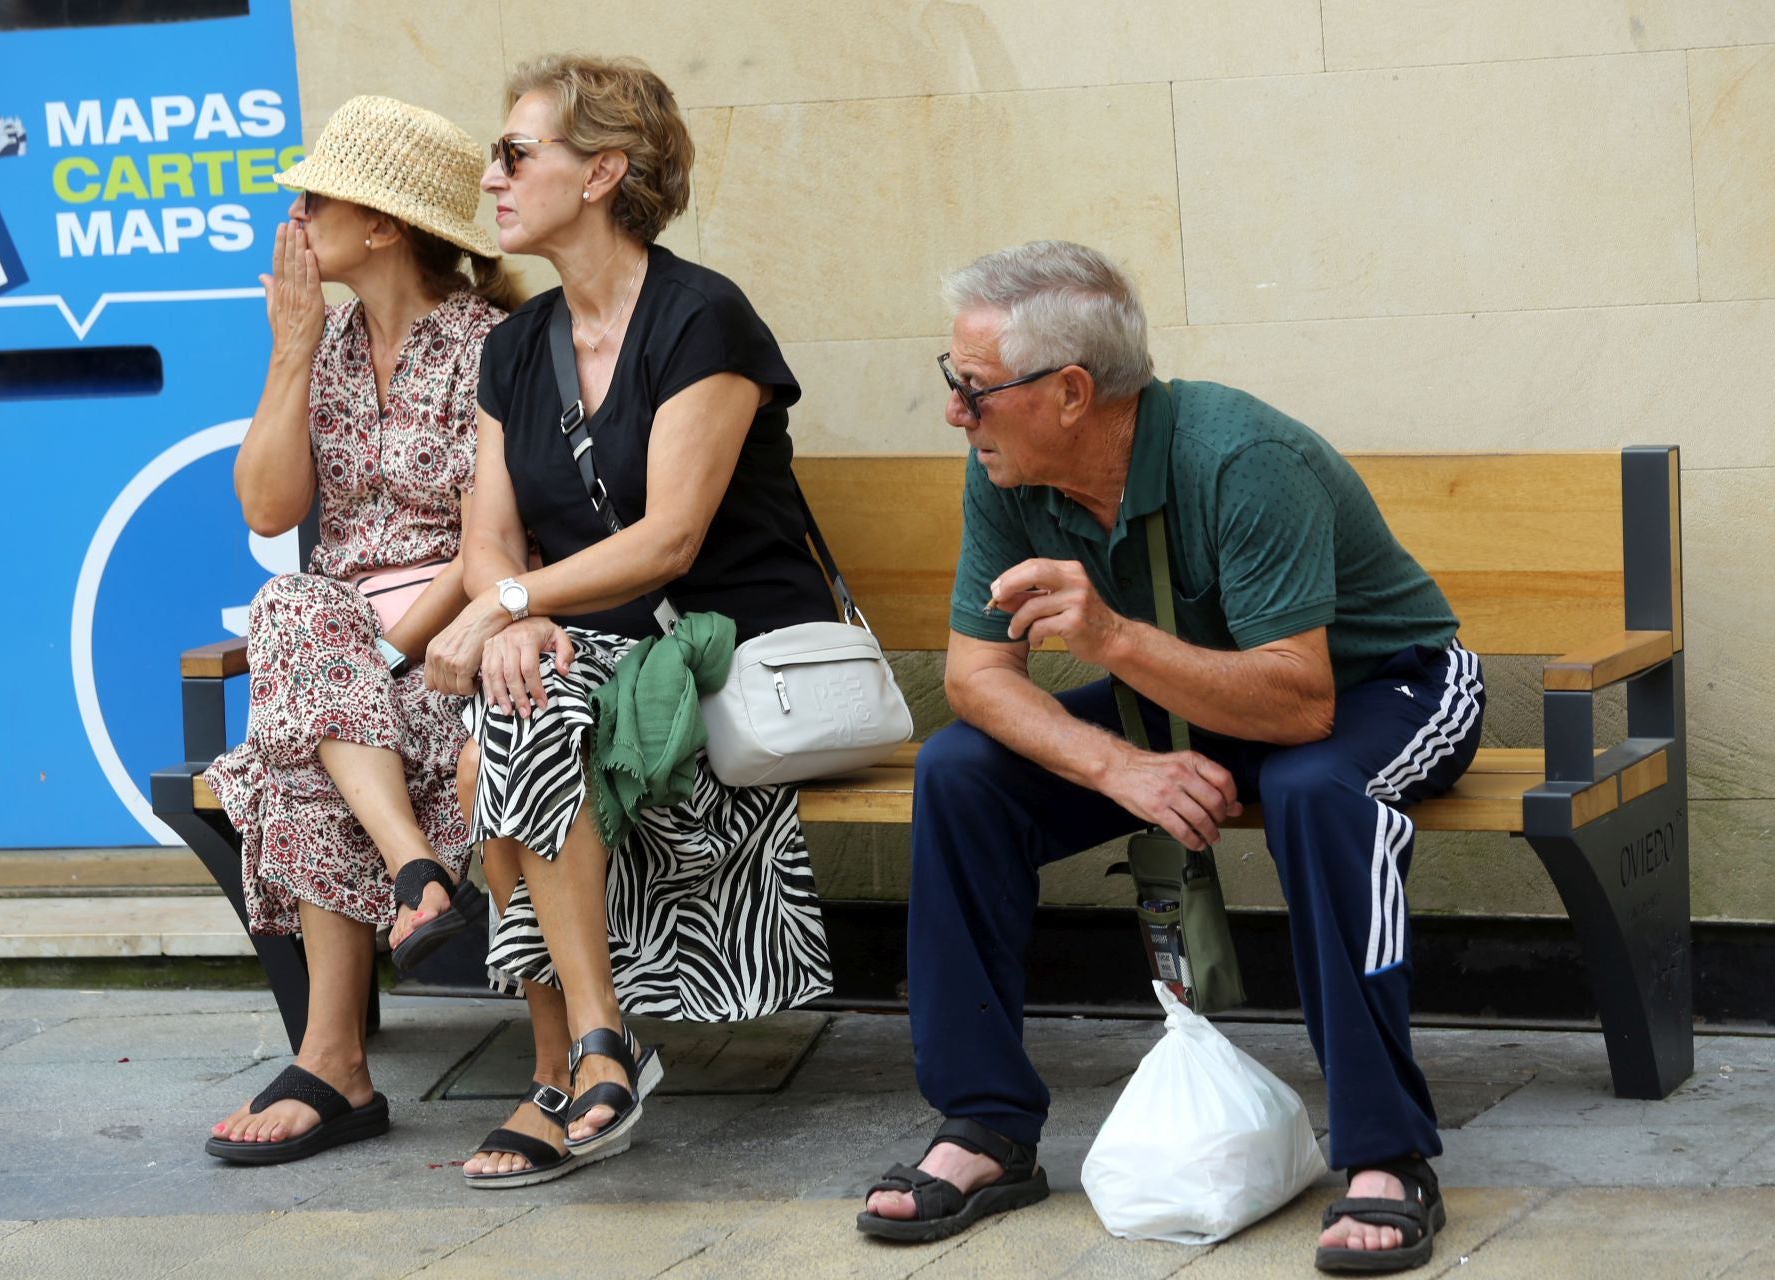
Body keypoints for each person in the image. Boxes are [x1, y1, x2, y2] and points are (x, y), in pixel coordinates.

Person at [854, 240, 1482, 1274]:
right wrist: (1120, 769)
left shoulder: (1239, 458)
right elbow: (977, 677)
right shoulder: (1010, 471)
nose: (955, 413)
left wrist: (1108, 641)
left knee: (1316, 790)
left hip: (1384, 686)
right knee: (961, 772)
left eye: (973, 390)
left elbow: (1302, 699)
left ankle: (1386, 1150)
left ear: (1069, 391)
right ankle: (985, 1127)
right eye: (951, 384)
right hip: (1189, 692)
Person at [422, 54, 836, 1188]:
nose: (491, 176)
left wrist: (509, 608)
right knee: (503, 724)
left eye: (516, 152)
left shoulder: (703, 317)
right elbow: (488, 536)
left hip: (726, 639)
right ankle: (590, 1053)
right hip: (590, 637)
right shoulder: (514, 345)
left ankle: (573, 1057)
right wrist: (508, 612)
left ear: (603, 171)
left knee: (504, 729)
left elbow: (668, 542)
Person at [202, 96, 516, 1164]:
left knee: (298, 717)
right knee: (292, 608)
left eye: (314, 197)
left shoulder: (492, 347)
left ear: (382, 224)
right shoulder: (326, 342)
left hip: (448, 655)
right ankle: (417, 875)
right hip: (335, 653)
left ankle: (333, 1060)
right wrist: (289, 355)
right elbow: (266, 509)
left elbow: (487, 557)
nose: (293, 215)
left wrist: (377, 662)